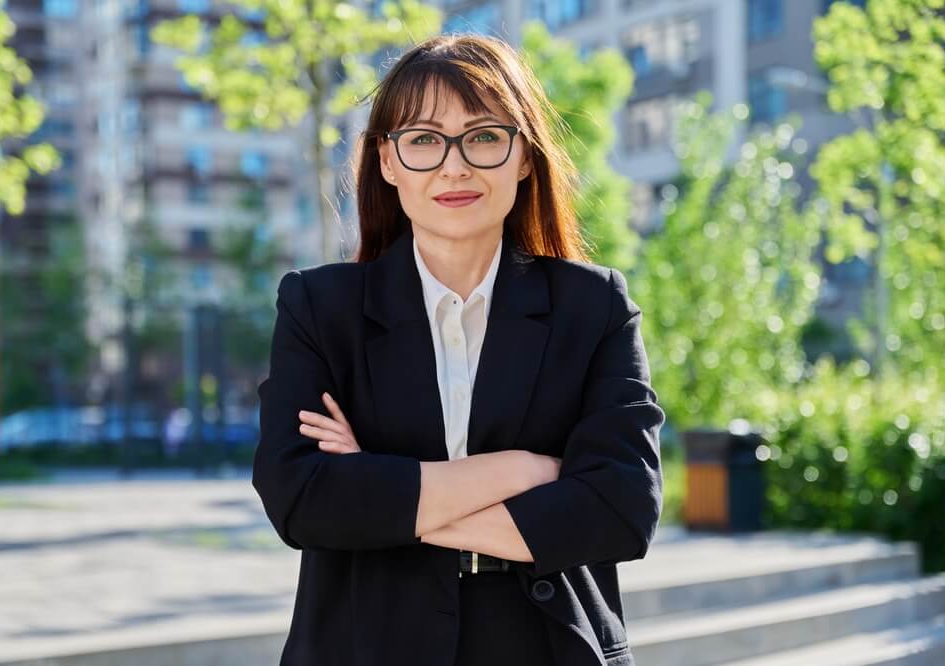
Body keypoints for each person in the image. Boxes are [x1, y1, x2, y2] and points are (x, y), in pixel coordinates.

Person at [252, 33, 665, 666]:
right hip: (367, 645)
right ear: (386, 162)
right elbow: (302, 500)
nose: (454, 166)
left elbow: (622, 508)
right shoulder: (320, 308)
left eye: (484, 136)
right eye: (423, 140)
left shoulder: (594, 307)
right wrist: (525, 472)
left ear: (524, 155)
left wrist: (377, 490)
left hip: (547, 645)